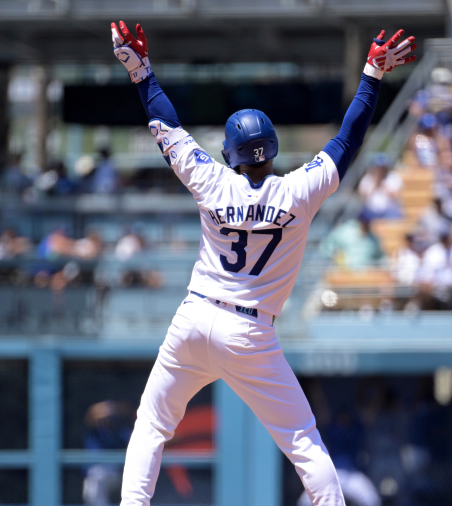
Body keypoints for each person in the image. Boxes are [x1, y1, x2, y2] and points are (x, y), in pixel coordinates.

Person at [109, 20, 416, 505]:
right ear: (272, 149)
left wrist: (140, 70)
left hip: (193, 318)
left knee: (151, 424)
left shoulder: (213, 181)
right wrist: (371, 75)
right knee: (301, 440)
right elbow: (348, 141)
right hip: (249, 332)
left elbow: (165, 124)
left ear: (230, 154)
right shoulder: (298, 191)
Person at [319, 214, 385, 269]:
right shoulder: (344, 231)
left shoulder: (373, 238)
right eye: (366, 222)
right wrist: (337, 257)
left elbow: (379, 257)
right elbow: (325, 248)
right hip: (344, 273)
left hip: (365, 276)